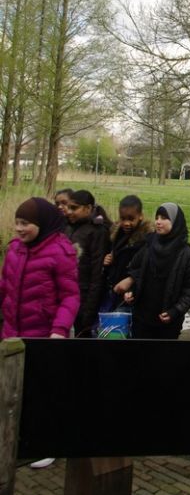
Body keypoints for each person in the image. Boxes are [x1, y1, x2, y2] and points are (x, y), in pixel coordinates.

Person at [0, 197, 80, 470]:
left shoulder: (60, 252)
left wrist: (59, 330)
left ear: (41, 224)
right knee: (13, 390)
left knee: (45, 392)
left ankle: (48, 444)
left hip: (44, 335)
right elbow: (5, 287)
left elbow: (70, 296)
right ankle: (18, 439)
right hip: (12, 333)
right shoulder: (14, 249)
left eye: (25, 223)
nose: (18, 228)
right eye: (17, 222)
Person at [120, 203, 190, 339]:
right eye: (157, 217)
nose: (158, 222)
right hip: (142, 318)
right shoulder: (149, 244)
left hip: (168, 322)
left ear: (175, 222)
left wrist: (175, 311)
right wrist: (132, 292)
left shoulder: (186, 254)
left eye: (164, 218)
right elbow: (135, 270)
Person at [65, 189, 111, 338]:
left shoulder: (97, 231)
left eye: (74, 208)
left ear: (88, 208)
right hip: (67, 295)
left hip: (84, 297)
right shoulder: (68, 227)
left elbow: (98, 273)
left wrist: (89, 311)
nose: (69, 212)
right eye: (68, 207)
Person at [101, 195, 152, 312]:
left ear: (140, 216)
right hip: (113, 291)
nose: (126, 223)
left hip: (130, 296)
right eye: (123, 219)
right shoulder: (116, 235)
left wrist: (132, 284)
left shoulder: (147, 239)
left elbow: (147, 267)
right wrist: (107, 260)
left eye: (131, 219)